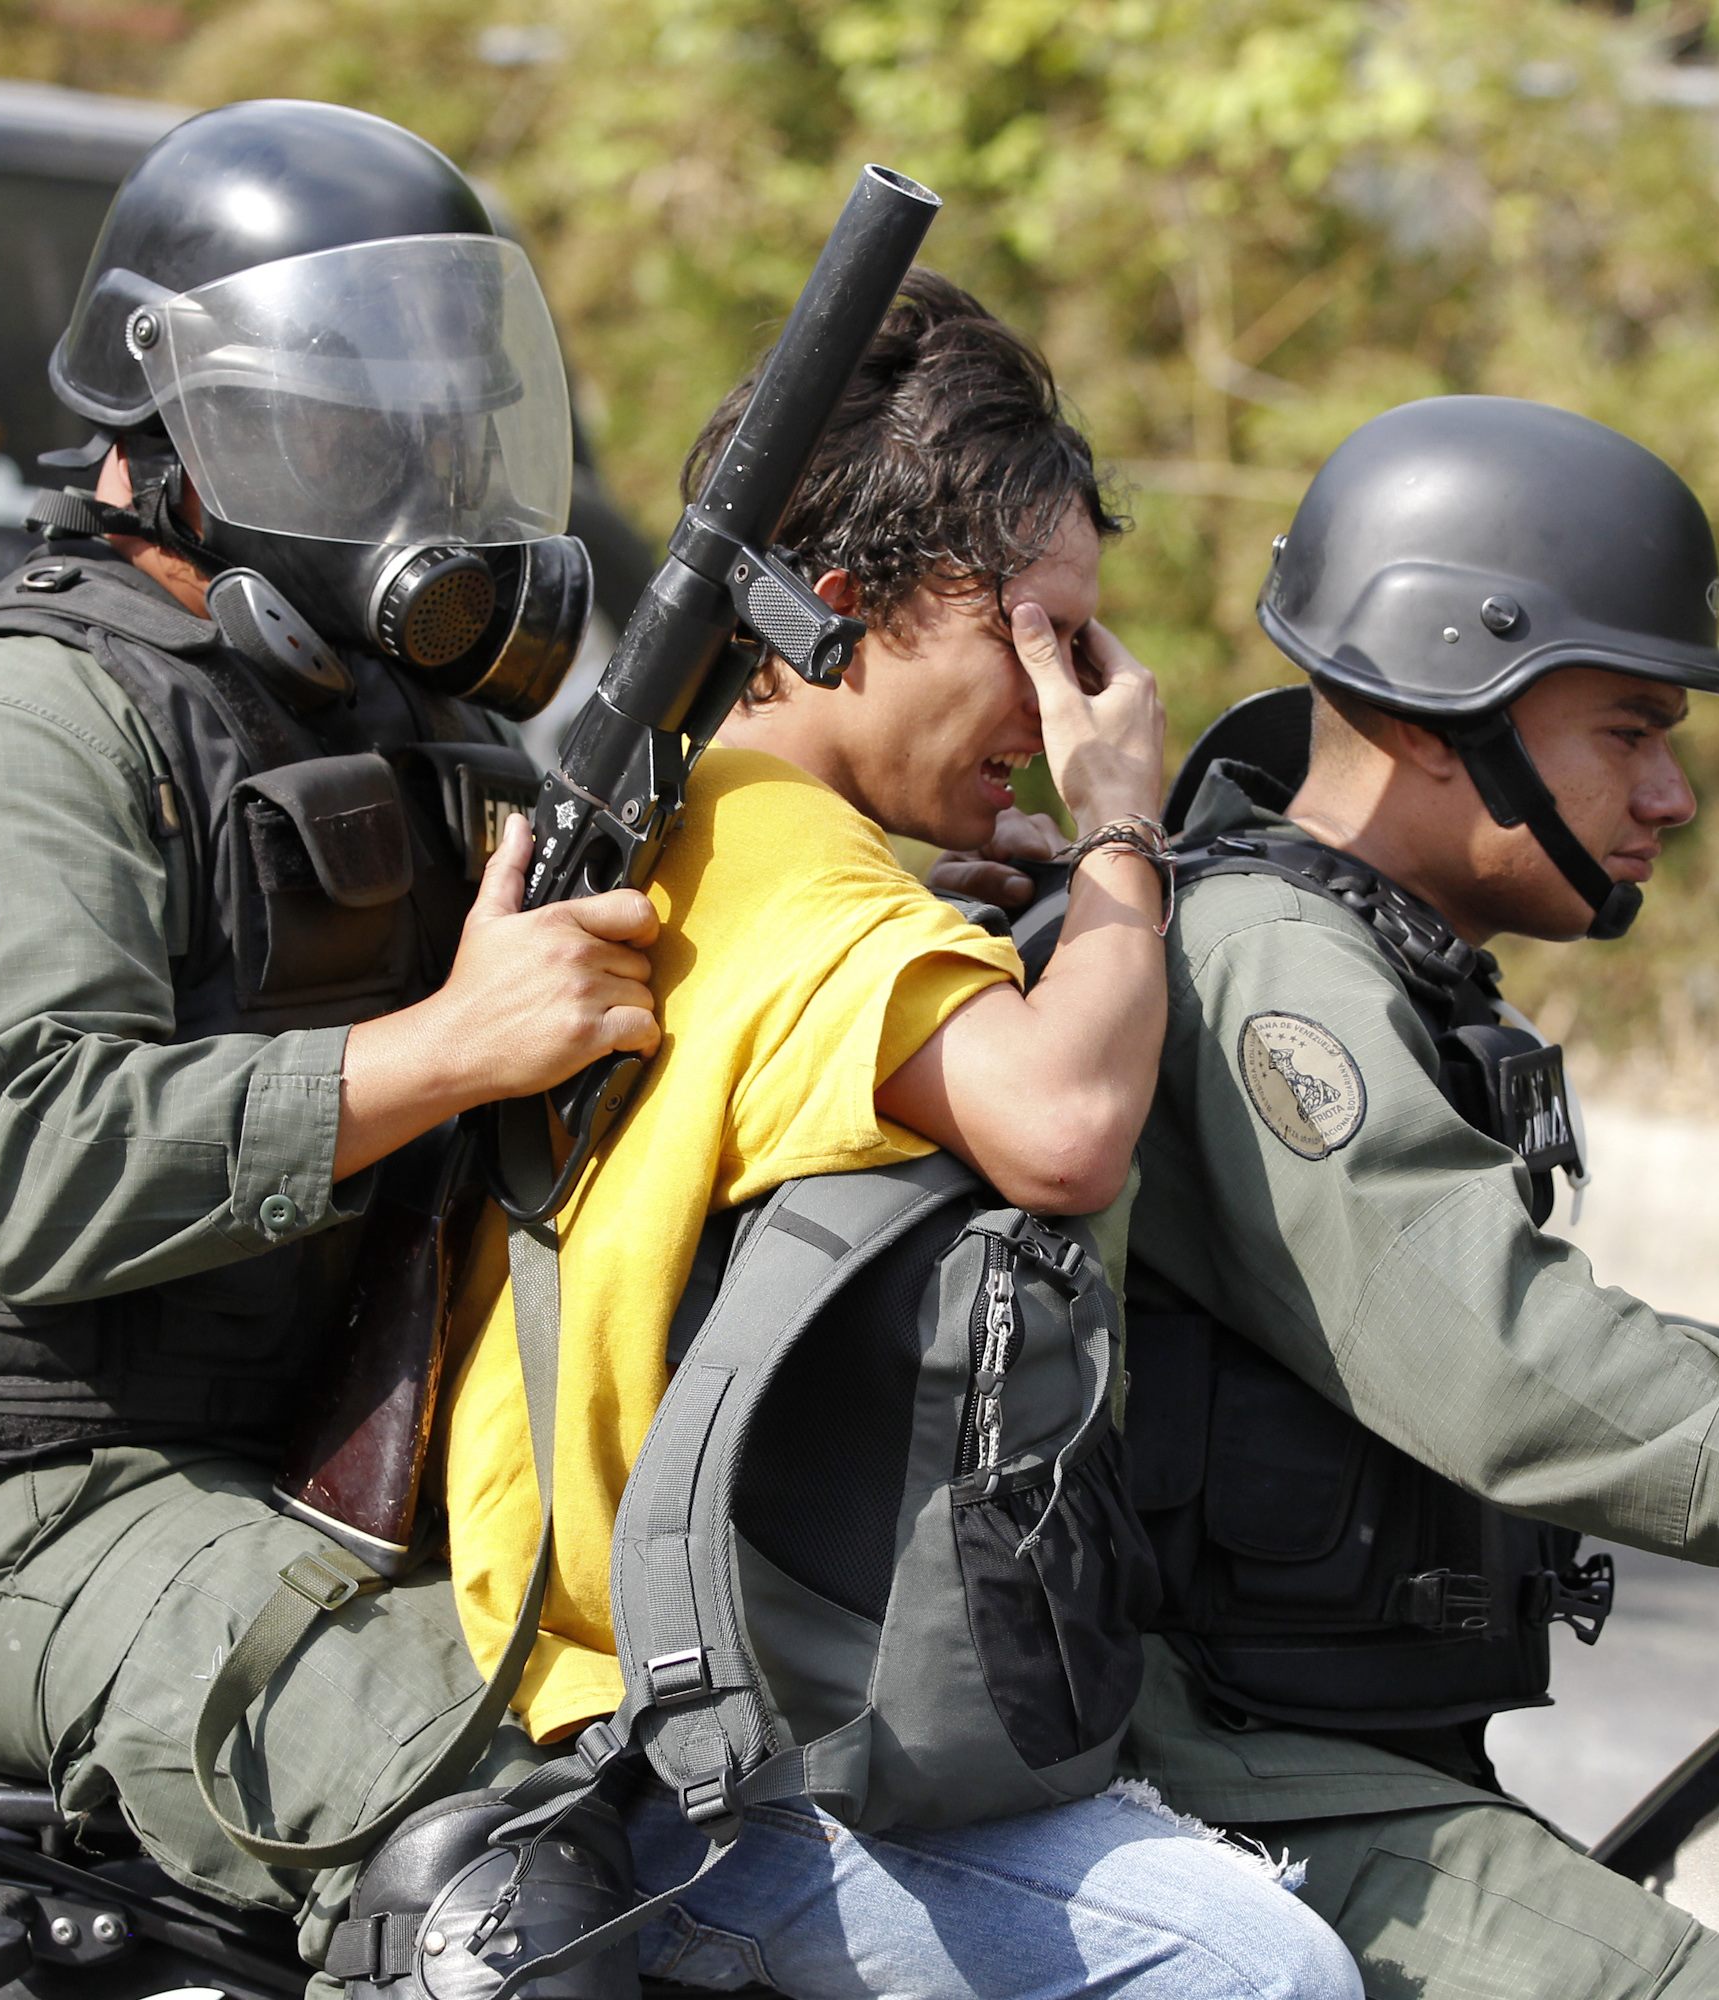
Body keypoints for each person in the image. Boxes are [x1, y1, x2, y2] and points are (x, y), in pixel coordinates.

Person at [944, 394, 1719, 2000]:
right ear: (1431, 717)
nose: (1673, 794)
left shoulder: (1351, 955)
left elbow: (1475, 1338)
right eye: (1630, 731)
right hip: (1236, 1770)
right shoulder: (1274, 975)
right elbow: (1501, 1363)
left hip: (1347, 1744)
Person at [0, 100, 664, 1978]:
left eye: (428, 415)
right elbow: (23, 1163)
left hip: (291, 1464)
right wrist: (453, 1047)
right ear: (183, 434)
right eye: (345, 419)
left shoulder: (375, 719)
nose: (407, 465)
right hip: (6, 1502)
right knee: (513, 1837)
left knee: (735, 1750)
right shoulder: (21, 726)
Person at [432, 273, 1362, 2000]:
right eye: (1035, 636)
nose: (1071, 694)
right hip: (677, 1763)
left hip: (650, 1676)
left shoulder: (728, 817)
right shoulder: (812, 887)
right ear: (842, 610)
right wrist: (1120, 837)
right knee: (1258, 1969)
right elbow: (1068, 1127)